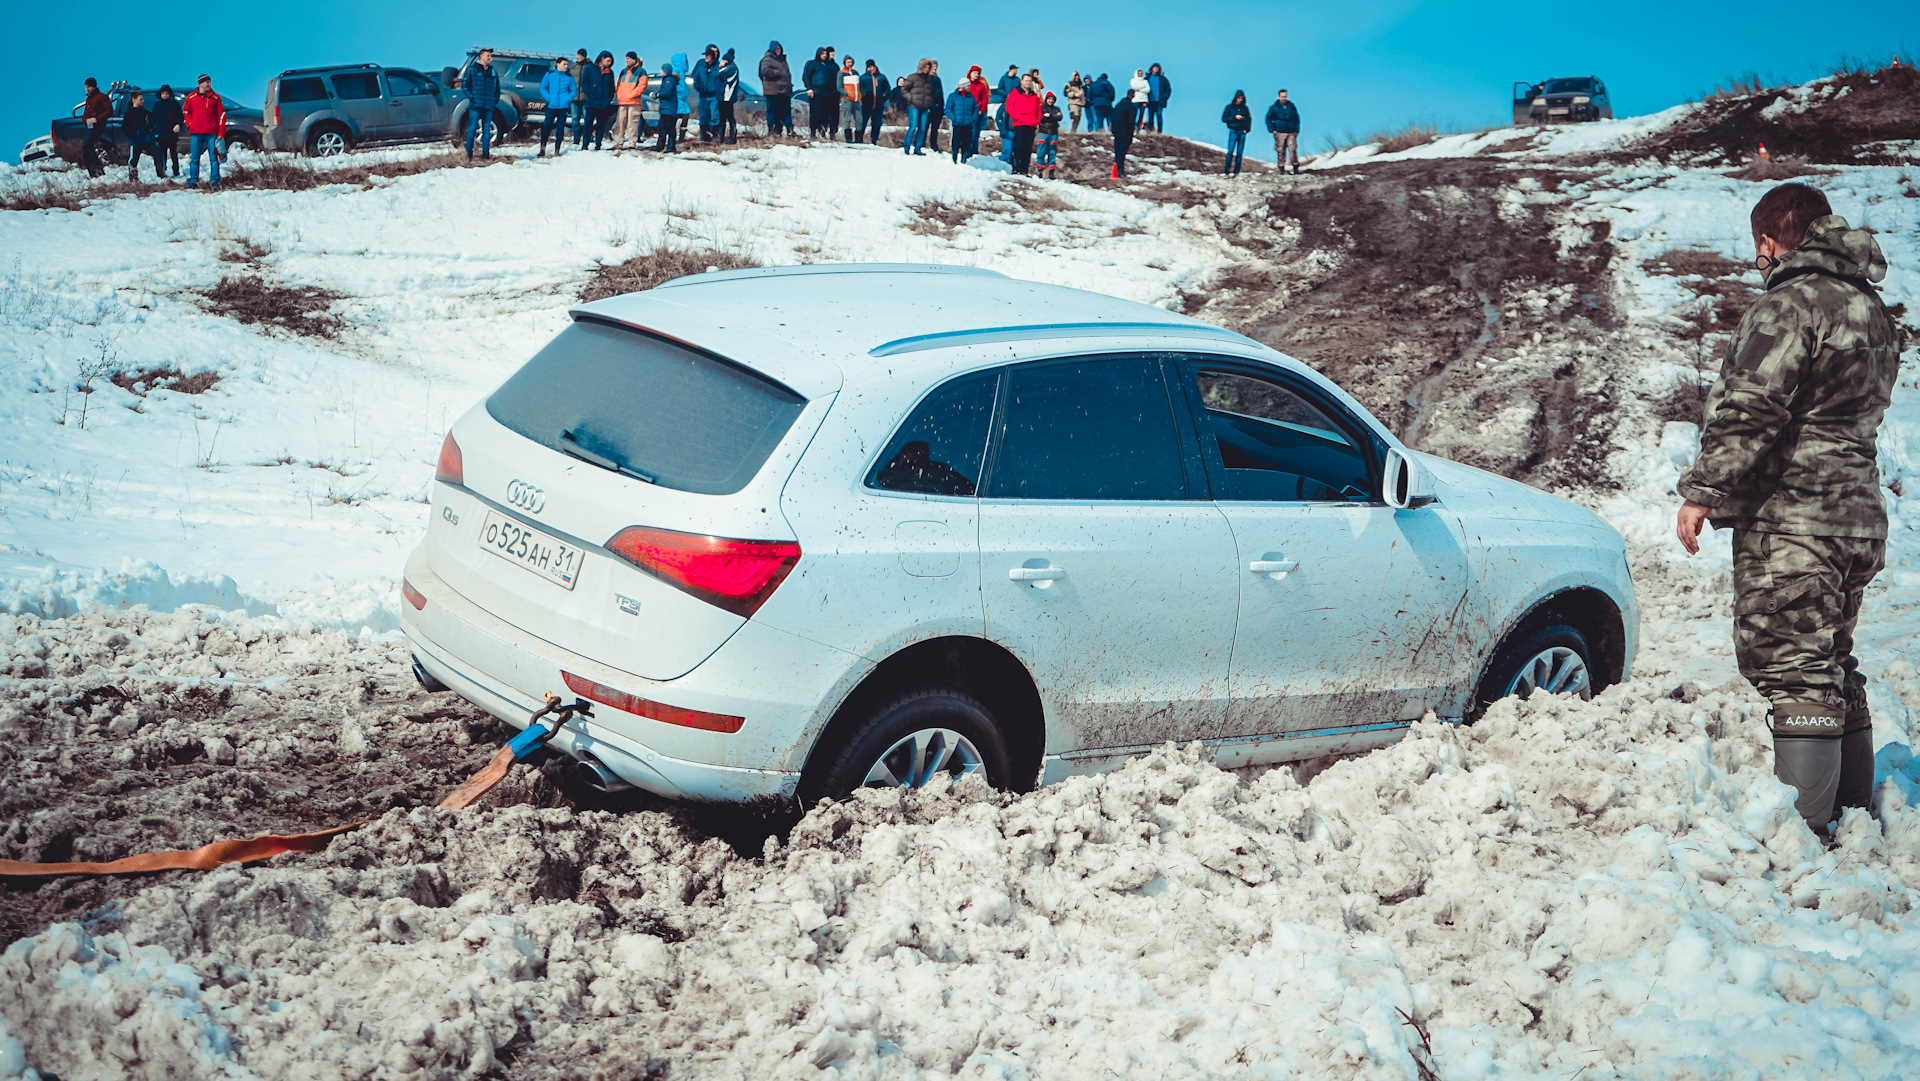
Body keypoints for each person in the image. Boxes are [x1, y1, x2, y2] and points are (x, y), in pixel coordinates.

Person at [1676, 184, 1900, 837]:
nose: (1757, 262)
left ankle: (1806, 834)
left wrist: (1703, 489)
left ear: (1771, 242)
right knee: (1831, 654)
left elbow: (1752, 407)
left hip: (1797, 514)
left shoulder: (1788, 306)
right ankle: (1853, 817)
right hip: (1856, 510)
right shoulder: (1869, 308)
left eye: (1758, 249)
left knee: (1795, 660)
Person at [181, 75, 225, 189]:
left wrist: (221, 132)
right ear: (200, 84)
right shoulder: (191, 98)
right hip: (196, 133)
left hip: (211, 132)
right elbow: (185, 111)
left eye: (210, 82)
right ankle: (193, 181)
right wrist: (190, 123)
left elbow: (221, 115)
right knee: (194, 158)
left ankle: (215, 181)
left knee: (214, 158)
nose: (209, 84)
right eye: (207, 82)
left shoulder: (216, 98)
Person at [460, 48, 502, 160]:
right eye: (488, 55)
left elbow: (497, 88)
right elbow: (464, 85)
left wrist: (495, 100)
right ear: (481, 56)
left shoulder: (493, 71)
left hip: (489, 105)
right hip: (475, 105)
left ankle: (486, 155)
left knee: (486, 130)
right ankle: (469, 154)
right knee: (472, 128)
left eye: (490, 56)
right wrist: (471, 97)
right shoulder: (472, 69)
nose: (490, 58)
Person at [1004, 73, 1041, 175]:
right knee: (1019, 146)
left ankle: (1025, 170)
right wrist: (1017, 117)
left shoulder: (1034, 95)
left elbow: (1039, 109)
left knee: (1028, 147)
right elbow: (1009, 107)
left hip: (1031, 124)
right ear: (1021, 81)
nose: (1028, 83)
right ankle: (1017, 168)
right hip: (1019, 124)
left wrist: (1037, 120)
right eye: (1026, 80)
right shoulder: (1015, 92)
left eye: (1029, 81)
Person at [538, 58, 576, 156]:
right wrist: (548, 98)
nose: (566, 66)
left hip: (563, 107)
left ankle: (557, 150)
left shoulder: (569, 77)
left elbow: (573, 91)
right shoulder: (550, 74)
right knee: (547, 126)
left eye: (567, 64)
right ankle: (542, 148)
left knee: (560, 128)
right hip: (551, 105)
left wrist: (567, 99)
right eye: (564, 64)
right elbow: (543, 88)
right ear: (558, 64)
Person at [579, 52, 616, 150]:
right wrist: (590, 92)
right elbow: (584, 82)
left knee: (601, 125)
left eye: (611, 61)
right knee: (588, 124)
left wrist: (609, 98)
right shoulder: (589, 68)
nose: (609, 63)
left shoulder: (610, 72)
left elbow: (612, 87)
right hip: (592, 102)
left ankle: (598, 144)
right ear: (602, 58)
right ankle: (585, 144)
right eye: (608, 60)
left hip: (604, 104)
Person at [902, 59, 938, 155]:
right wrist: (911, 98)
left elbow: (931, 93)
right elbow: (904, 90)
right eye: (925, 66)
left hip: (925, 107)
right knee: (913, 127)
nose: (927, 69)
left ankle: (917, 148)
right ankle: (906, 147)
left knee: (922, 128)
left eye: (928, 67)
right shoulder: (912, 77)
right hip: (914, 106)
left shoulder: (929, 80)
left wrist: (930, 103)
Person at [124, 90, 160, 182]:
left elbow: (152, 125)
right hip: (135, 141)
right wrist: (133, 136)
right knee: (133, 160)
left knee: (158, 154)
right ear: (134, 100)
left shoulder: (146, 113)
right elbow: (124, 127)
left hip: (147, 140)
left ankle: (161, 174)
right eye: (140, 99)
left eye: (142, 99)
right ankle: (133, 179)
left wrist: (149, 135)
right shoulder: (129, 113)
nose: (142, 101)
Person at [79, 78, 112, 178]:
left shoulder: (102, 97)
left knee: (86, 146)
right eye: (85, 87)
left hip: (98, 126)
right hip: (89, 127)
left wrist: (96, 119)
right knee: (87, 147)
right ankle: (97, 171)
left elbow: (109, 111)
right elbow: (85, 113)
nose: (87, 89)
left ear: (93, 86)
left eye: (88, 87)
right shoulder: (88, 99)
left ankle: (94, 172)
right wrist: (85, 120)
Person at [614, 52, 649, 148]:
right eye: (626, 59)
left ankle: (632, 144)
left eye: (628, 59)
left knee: (632, 124)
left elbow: (643, 86)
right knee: (619, 123)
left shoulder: (641, 71)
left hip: (634, 102)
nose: (627, 61)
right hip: (623, 101)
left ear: (634, 59)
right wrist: (618, 96)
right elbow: (619, 85)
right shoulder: (623, 71)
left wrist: (632, 94)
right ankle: (618, 143)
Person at [760, 42, 794, 136]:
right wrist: (778, 73)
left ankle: (788, 130)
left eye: (779, 48)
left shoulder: (782, 60)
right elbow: (765, 71)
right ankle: (771, 131)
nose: (778, 50)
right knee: (772, 111)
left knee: (786, 112)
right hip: (773, 91)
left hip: (784, 91)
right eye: (776, 48)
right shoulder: (767, 60)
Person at [803, 47, 837, 137]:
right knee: (815, 113)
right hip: (816, 92)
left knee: (825, 114)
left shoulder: (829, 66)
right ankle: (813, 132)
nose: (824, 55)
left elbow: (834, 79)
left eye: (826, 54)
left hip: (828, 94)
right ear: (818, 54)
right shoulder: (812, 64)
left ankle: (822, 132)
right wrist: (809, 88)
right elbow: (806, 76)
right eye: (822, 53)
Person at [151, 84, 183, 177]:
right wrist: (152, 130)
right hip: (161, 133)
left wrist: (178, 124)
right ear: (160, 94)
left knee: (173, 153)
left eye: (166, 93)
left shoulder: (174, 104)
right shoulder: (157, 105)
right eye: (163, 93)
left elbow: (180, 117)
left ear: (170, 94)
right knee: (162, 153)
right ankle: (162, 171)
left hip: (172, 132)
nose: (165, 95)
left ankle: (176, 172)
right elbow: (153, 118)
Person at [693, 45, 723, 141]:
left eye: (709, 55)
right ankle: (704, 136)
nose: (706, 57)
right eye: (706, 55)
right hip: (703, 95)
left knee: (714, 116)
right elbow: (695, 76)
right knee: (703, 116)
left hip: (714, 95)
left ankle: (715, 136)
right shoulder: (700, 64)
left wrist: (718, 90)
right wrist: (698, 87)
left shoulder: (717, 65)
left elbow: (721, 79)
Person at [1266, 89, 1300, 173]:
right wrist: (1272, 130)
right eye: (1282, 96)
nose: (1284, 98)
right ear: (1278, 97)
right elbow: (1268, 119)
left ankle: (1295, 168)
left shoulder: (1291, 106)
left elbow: (1297, 118)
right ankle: (1281, 168)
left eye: (1285, 96)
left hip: (1291, 132)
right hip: (1280, 132)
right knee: (1280, 150)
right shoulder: (1274, 108)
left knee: (1293, 149)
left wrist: (1296, 130)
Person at [945, 82, 979, 163]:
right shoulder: (953, 96)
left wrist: (973, 119)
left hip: (968, 124)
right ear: (962, 86)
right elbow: (948, 108)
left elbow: (976, 109)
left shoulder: (971, 97)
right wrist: (953, 118)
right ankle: (954, 159)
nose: (969, 87)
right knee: (955, 142)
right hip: (957, 123)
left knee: (966, 143)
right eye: (967, 86)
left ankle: (964, 160)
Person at [653, 62, 683, 151]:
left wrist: (657, 95)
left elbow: (667, 93)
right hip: (666, 109)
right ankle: (660, 146)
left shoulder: (669, 81)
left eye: (662, 70)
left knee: (669, 129)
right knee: (662, 128)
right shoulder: (668, 80)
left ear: (665, 71)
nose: (660, 71)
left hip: (669, 109)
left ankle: (670, 146)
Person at [1109, 84, 1137, 179]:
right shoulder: (1132, 107)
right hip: (1126, 132)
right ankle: (1120, 172)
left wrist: (1113, 130)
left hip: (1117, 132)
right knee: (1122, 152)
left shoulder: (1118, 105)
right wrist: (1131, 133)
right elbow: (1131, 121)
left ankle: (1116, 171)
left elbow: (1113, 118)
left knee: (1117, 151)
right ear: (1133, 96)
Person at [993, 64, 1020, 161]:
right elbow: (999, 89)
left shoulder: (1017, 80)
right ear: (1011, 70)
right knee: (1007, 149)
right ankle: (1004, 164)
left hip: (1015, 128)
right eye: (1015, 69)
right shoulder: (1004, 78)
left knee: (1014, 150)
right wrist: (1007, 94)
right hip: (1006, 101)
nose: (1016, 71)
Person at [1221, 89, 1250, 175]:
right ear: (1235, 98)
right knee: (1230, 152)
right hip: (1233, 131)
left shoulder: (1245, 108)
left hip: (1242, 132)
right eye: (1238, 98)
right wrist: (1234, 117)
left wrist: (1247, 129)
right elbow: (1224, 118)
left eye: (1241, 98)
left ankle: (1236, 172)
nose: (1240, 100)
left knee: (1240, 153)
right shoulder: (1229, 107)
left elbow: (1249, 119)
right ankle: (1227, 171)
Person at [859, 60, 889, 144]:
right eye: (869, 67)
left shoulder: (882, 77)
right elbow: (860, 89)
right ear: (867, 68)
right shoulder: (863, 78)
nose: (871, 69)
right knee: (863, 122)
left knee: (877, 123)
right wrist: (863, 97)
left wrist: (884, 97)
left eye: (873, 67)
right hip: (866, 104)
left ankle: (874, 140)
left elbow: (887, 88)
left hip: (879, 104)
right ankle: (859, 138)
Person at [718, 49, 742, 143]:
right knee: (723, 117)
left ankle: (732, 137)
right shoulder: (731, 67)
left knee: (729, 117)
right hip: (724, 96)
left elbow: (719, 73)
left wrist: (720, 67)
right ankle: (721, 137)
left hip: (728, 96)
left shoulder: (732, 68)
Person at [1036, 91, 1062, 178]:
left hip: (1054, 133)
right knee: (1041, 152)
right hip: (1043, 132)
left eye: (1052, 99)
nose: (1051, 101)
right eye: (1049, 99)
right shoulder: (1041, 108)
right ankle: (1039, 170)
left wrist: (1050, 116)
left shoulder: (1057, 109)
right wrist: (1053, 117)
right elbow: (1040, 118)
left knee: (1052, 152)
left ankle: (1051, 171)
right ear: (1046, 99)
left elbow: (1060, 117)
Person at [569, 49, 591, 146]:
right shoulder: (573, 67)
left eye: (581, 55)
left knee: (587, 119)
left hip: (585, 98)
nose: (579, 57)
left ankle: (587, 138)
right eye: (578, 55)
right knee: (575, 119)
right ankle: (576, 139)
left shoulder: (590, 67)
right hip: (574, 98)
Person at [925, 62, 947, 154]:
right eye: (933, 66)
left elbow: (940, 93)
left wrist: (942, 106)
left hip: (938, 107)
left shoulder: (938, 79)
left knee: (935, 128)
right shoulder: (926, 78)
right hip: (929, 106)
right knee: (925, 126)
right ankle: (921, 144)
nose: (935, 68)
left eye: (936, 67)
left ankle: (934, 145)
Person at [839, 56, 861, 142]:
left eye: (851, 62)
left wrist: (860, 94)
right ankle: (848, 138)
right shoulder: (841, 73)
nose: (850, 64)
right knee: (847, 118)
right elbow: (839, 87)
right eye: (848, 62)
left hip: (857, 99)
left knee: (859, 119)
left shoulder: (855, 72)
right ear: (845, 62)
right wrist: (847, 94)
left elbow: (860, 85)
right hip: (846, 99)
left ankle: (859, 138)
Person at [1144, 62, 1171, 131]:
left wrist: (1165, 97)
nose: (1155, 69)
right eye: (1154, 68)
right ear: (1151, 69)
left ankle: (1159, 131)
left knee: (1159, 115)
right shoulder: (1147, 78)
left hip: (1160, 101)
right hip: (1150, 100)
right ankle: (1150, 130)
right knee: (1150, 116)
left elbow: (1168, 89)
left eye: (1157, 68)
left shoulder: (1163, 79)